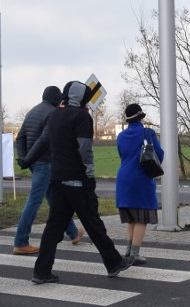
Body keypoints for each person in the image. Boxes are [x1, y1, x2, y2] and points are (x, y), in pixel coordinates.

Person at [21, 80, 133, 283]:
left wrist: (27, 159)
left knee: (53, 227)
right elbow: (84, 149)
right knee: (93, 223)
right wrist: (89, 176)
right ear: (81, 97)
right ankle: (114, 263)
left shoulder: (55, 115)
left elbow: (43, 140)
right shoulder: (81, 116)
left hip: (58, 180)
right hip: (78, 181)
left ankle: (41, 271)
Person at [13, 86, 83, 255]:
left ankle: (73, 232)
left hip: (35, 163)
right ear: (57, 99)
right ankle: (21, 241)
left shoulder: (32, 111)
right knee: (34, 200)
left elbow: (20, 137)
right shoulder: (53, 113)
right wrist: (28, 159)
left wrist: (25, 158)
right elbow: (45, 139)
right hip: (45, 162)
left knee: (55, 199)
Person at [116, 103, 164, 265]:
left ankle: (128, 251)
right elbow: (159, 154)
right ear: (140, 118)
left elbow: (122, 155)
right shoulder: (148, 133)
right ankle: (135, 254)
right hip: (141, 179)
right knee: (141, 218)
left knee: (131, 219)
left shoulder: (121, 136)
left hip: (123, 180)